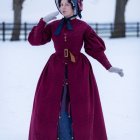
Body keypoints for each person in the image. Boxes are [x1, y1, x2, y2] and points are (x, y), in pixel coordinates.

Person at [28, 0, 124, 140]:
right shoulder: (54, 26)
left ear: (75, 6)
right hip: (54, 73)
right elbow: (34, 40)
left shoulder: (83, 27)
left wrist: (108, 66)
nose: (63, 7)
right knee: (53, 107)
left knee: (80, 109)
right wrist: (43, 21)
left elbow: (95, 50)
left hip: (79, 73)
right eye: (61, 5)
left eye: (67, 4)